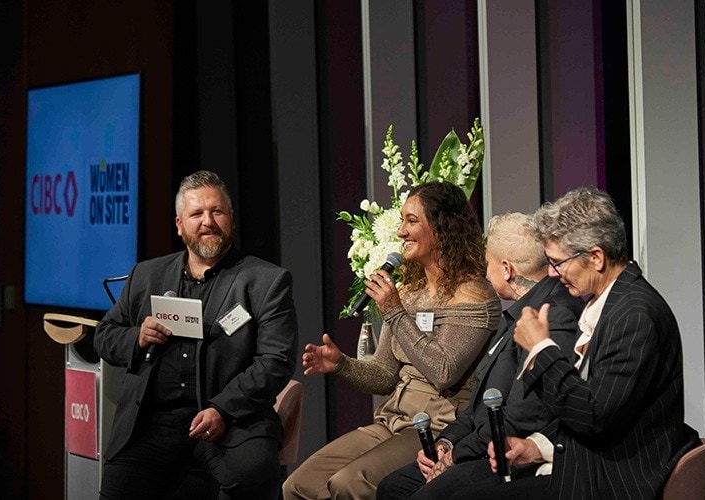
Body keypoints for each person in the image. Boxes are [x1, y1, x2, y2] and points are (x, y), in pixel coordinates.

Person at [450, 186, 701, 499]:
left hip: (614, 480)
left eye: (558, 262)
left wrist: (540, 350)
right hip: (587, 461)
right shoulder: (611, 303)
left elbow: (594, 416)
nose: (553, 273)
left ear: (596, 257)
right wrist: (535, 446)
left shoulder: (634, 314)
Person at [282, 181, 502, 500]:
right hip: (392, 421)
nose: (401, 232)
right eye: (401, 221)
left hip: (436, 426)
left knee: (349, 483)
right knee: (299, 485)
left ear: (442, 228)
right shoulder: (409, 293)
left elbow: (443, 371)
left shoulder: (474, 295)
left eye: (411, 221)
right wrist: (340, 364)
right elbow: (385, 376)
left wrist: (394, 312)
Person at [94, 170, 299, 500]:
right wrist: (137, 337)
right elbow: (105, 336)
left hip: (233, 418)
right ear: (179, 225)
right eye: (197, 214)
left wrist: (223, 410)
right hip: (154, 421)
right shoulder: (146, 275)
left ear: (231, 218)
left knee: (252, 477)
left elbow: (276, 361)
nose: (208, 222)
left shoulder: (266, 281)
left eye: (217, 212)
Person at [376, 212, 585, 500]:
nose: (485, 272)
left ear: (506, 269)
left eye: (488, 262)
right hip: (477, 442)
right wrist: (446, 443)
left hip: (510, 454)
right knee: (393, 487)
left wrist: (455, 456)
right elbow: (479, 404)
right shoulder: (516, 312)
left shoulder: (553, 315)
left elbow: (522, 417)